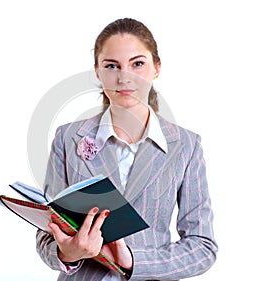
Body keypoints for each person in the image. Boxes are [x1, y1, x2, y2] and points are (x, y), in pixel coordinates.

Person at [36, 18, 218, 281]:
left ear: (156, 68)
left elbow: (203, 248)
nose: (124, 77)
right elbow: (46, 235)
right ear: (97, 72)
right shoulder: (68, 138)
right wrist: (67, 253)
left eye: (138, 64)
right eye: (112, 66)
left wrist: (133, 260)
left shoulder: (186, 146)